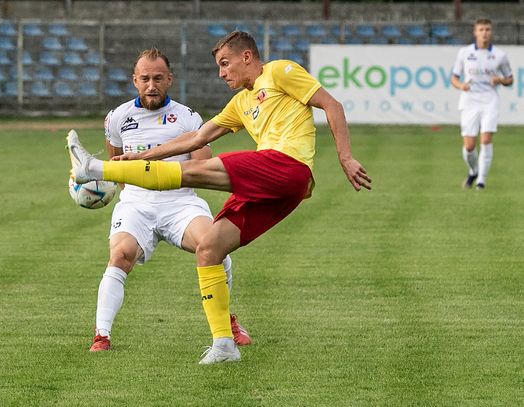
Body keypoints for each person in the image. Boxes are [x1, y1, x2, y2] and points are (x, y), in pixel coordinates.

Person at [67, 31, 371, 364]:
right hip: (278, 191)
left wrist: (345, 156)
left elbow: (332, 104)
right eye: (218, 66)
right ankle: (224, 344)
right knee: (210, 246)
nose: (221, 73)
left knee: (192, 173)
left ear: (246, 57)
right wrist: (142, 158)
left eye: (225, 64)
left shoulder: (281, 71)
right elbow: (195, 139)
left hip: (286, 165)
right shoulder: (240, 103)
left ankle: (93, 169)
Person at [84, 47, 251, 352]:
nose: (151, 85)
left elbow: (202, 167)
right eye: (145, 78)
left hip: (181, 202)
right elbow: (117, 166)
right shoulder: (117, 118)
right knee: (120, 255)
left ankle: (226, 320)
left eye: (158, 78)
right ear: (135, 80)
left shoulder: (188, 118)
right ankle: (102, 335)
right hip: (136, 202)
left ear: (169, 79)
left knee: (214, 246)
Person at [451, 18, 513, 190]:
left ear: (491, 32)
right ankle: (473, 171)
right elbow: (454, 78)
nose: (485, 32)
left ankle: (481, 181)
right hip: (469, 100)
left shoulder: (500, 55)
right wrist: (461, 85)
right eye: (481, 29)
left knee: (486, 140)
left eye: (487, 29)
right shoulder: (464, 53)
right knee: (469, 146)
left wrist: (500, 80)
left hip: (489, 100)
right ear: (475, 32)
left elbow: (510, 79)